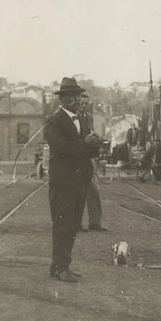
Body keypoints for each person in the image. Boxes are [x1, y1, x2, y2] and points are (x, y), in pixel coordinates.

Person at [44, 77, 102, 282]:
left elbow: (86, 149)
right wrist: (84, 142)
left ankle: (62, 266)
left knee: (73, 226)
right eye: (73, 96)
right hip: (63, 183)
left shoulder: (82, 118)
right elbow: (62, 149)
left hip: (80, 182)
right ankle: (59, 268)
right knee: (63, 226)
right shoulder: (54, 121)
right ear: (63, 99)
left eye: (79, 95)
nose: (78, 99)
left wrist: (95, 144)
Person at [78, 93, 108, 232]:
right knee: (77, 192)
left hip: (89, 158)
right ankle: (76, 223)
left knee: (94, 190)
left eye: (86, 104)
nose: (83, 106)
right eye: (81, 103)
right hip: (77, 158)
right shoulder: (72, 118)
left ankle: (95, 222)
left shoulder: (89, 117)